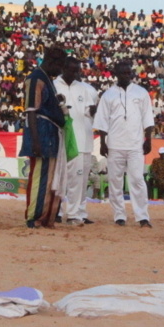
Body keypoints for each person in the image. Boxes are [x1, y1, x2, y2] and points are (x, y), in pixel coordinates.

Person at [93, 61, 155, 228]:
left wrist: (148, 139)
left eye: (129, 73)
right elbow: (102, 120)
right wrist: (103, 143)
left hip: (136, 145)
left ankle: (142, 217)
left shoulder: (141, 93)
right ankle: (119, 215)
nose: (126, 76)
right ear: (116, 75)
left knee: (137, 180)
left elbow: (147, 118)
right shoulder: (108, 95)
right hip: (114, 145)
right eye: (123, 73)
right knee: (115, 181)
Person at [19, 45, 67, 229]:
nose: (61, 70)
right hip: (41, 133)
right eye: (60, 66)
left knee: (50, 179)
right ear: (52, 62)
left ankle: (46, 217)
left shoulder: (47, 79)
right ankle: (34, 217)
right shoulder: (35, 79)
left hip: (51, 134)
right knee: (41, 178)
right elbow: (31, 111)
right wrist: (36, 140)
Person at [53, 56, 98, 225]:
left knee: (79, 180)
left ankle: (75, 213)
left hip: (82, 140)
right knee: (59, 179)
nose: (75, 73)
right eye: (72, 70)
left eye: (77, 70)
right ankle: (55, 211)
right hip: (60, 140)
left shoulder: (85, 89)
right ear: (63, 68)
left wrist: (96, 110)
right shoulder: (54, 86)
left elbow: (89, 112)